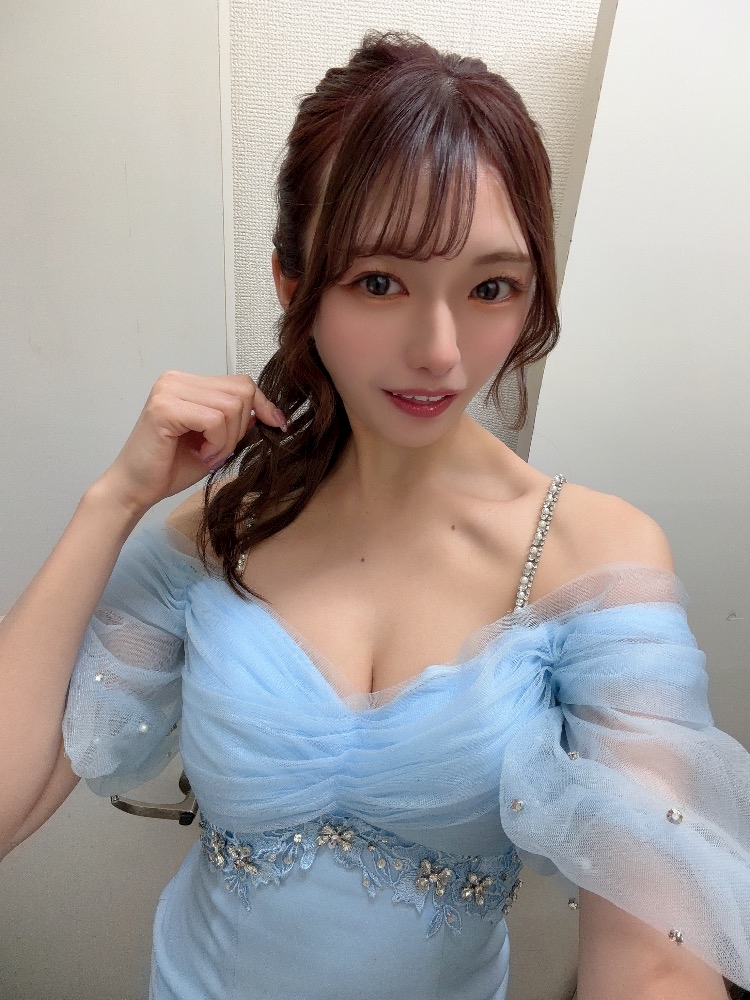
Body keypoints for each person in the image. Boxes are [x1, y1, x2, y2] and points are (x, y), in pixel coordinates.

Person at [1, 30, 748, 1000]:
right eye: (380, 282)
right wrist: (114, 500)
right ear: (294, 284)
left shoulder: (594, 559)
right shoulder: (213, 537)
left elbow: (656, 955)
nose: (439, 349)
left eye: (489, 287)